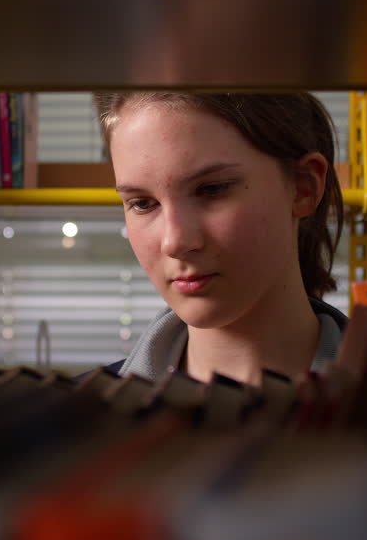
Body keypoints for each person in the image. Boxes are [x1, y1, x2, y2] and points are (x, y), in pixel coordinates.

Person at [95, 92, 347, 385]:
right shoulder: (75, 423)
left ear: (304, 187)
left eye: (212, 189)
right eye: (142, 203)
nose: (174, 242)